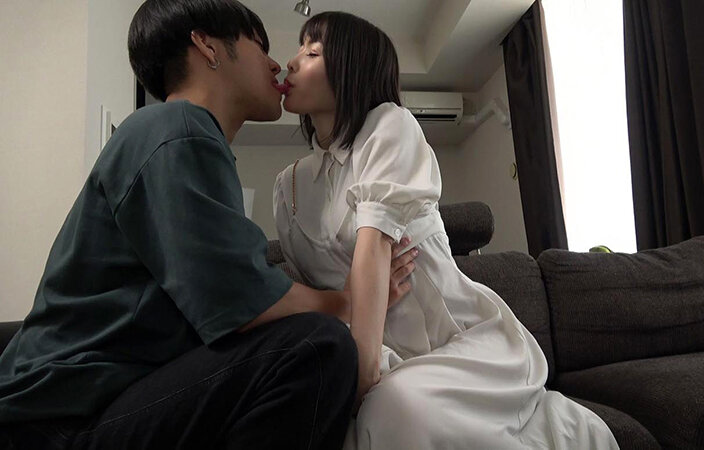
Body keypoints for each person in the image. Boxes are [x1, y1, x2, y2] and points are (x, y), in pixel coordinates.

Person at [0, 1, 416, 449]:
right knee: (317, 346)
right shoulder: (177, 128)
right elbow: (242, 300)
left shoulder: (175, 134)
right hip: (55, 423)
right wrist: (351, 301)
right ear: (207, 46)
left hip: (88, 405)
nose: (276, 64)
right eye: (260, 46)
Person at [274, 11, 621, 449]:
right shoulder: (288, 187)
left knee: (394, 407)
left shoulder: (389, 126)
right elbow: (310, 298)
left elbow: (374, 246)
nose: (292, 60)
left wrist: (360, 382)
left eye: (313, 52)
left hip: (455, 344)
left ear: (351, 68)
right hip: (370, 350)